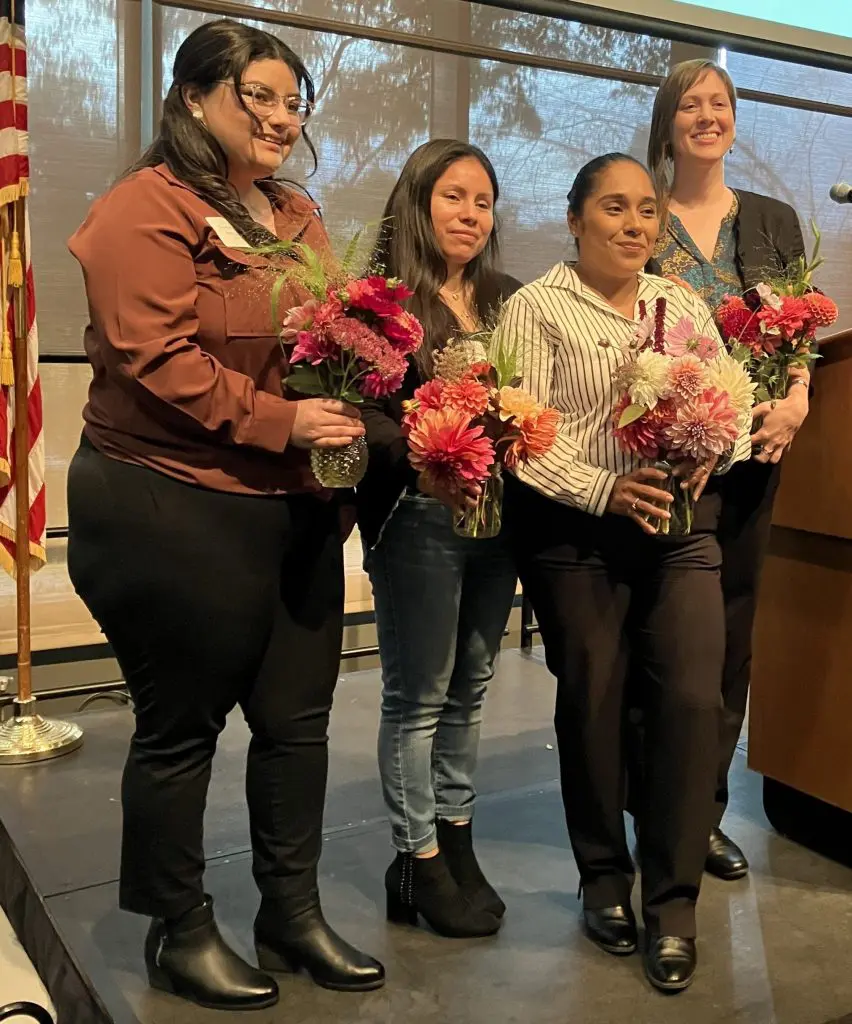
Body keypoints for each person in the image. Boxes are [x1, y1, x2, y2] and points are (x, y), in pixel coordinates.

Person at [66, 19, 384, 1011]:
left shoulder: (294, 212)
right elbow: (157, 360)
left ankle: (291, 913)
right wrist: (284, 420)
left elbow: (329, 335)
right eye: (261, 97)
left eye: (295, 101)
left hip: (292, 506)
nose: (284, 118)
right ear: (195, 97)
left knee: (298, 723)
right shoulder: (142, 207)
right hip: (171, 499)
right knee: (182, 727)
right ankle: (179, 927)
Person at [500, 153, 751, 992]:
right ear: (575, 219)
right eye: (614, 208)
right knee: (596, 701)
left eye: (646, 209)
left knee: (692, 699)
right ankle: (604, 879)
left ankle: (672, 906)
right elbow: (519, 433)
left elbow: (733, 395)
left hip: (679, 532)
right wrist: (603, 489)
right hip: (578, 538)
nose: (635, 224)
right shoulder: (536, 308)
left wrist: (717, 443)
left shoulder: (681, 303)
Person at [646, 58, 809, 881]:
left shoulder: (772, 219)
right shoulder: (642, 216)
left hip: (756, 460)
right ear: (667, 123)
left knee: (734, 641)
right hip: (674, 467)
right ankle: (656, 804)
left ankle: (702, 813)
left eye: (720, 103)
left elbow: (797, 330)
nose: (707, 115)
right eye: (690, 104)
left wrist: (799, 399)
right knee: (676, 647)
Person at [356, 140, 520, 938]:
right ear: (418, 203)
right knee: (419, 695)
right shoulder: (383, 305)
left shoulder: (508, 299)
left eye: (483, 202)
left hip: (499, 516)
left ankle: (456, 839)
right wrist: (423, 460)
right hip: (416, 517)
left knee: (473, 685)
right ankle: (414, 858)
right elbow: (361, 417)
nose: (471, 214)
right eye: (454, 196)